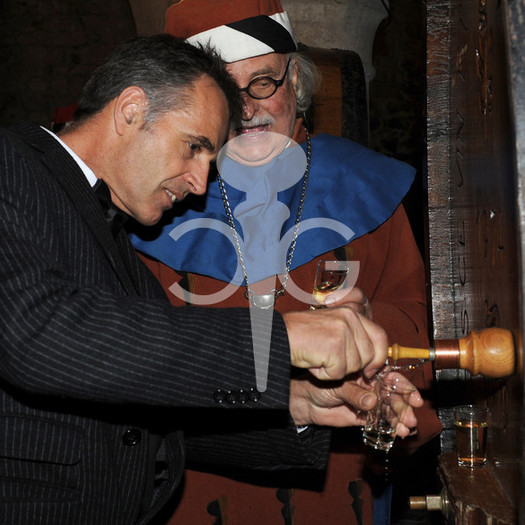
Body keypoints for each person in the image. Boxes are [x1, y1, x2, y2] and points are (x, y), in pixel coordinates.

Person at [0, 34, 423, 525]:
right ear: (132, 110)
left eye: (211, 159)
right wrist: (283, 338)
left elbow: (152, 422)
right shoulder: (12, 163)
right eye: (193, 147)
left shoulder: (115, 238)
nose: (201, 184)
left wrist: (297, 406)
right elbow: (36, 331)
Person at [128, 2, 443, 524]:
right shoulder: (154, 207)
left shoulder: (366, 188)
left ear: (295, 80)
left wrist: (370, 332)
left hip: (338, 484)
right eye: (224, 90)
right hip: (197, 489)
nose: (247, 109)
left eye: (263, 82)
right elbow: (136, 373)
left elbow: (422, 327)